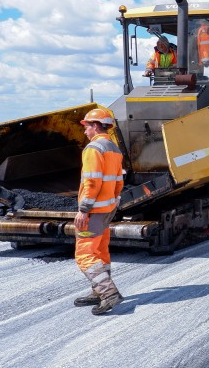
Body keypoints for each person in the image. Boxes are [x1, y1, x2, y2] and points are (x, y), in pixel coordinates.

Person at [73, 108, 125, 315]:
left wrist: (84, 210)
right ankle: (98, 290)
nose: (85, 131)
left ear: (95, 126)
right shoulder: (114, 149)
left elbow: (92, 181)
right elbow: (119, 181)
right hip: (108, 208)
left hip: (94, 210)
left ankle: (108, 293)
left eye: (86, 127)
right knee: (100, 251)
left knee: (85, 254)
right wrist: (112, 202)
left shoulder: (93, 149)